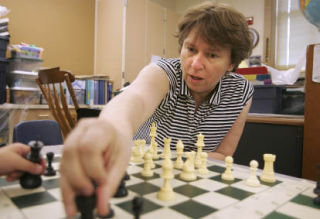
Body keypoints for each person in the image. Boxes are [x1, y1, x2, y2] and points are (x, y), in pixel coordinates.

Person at [60, 2, 253, 217]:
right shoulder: (164, 72)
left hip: (199, 184)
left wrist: (180, 161)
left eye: (212, 55)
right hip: (143, 174)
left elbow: (224, 154)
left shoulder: (241, 92)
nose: (195, 64)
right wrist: (110, 130)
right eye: (190, 49)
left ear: (231, 62)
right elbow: (133, 100)